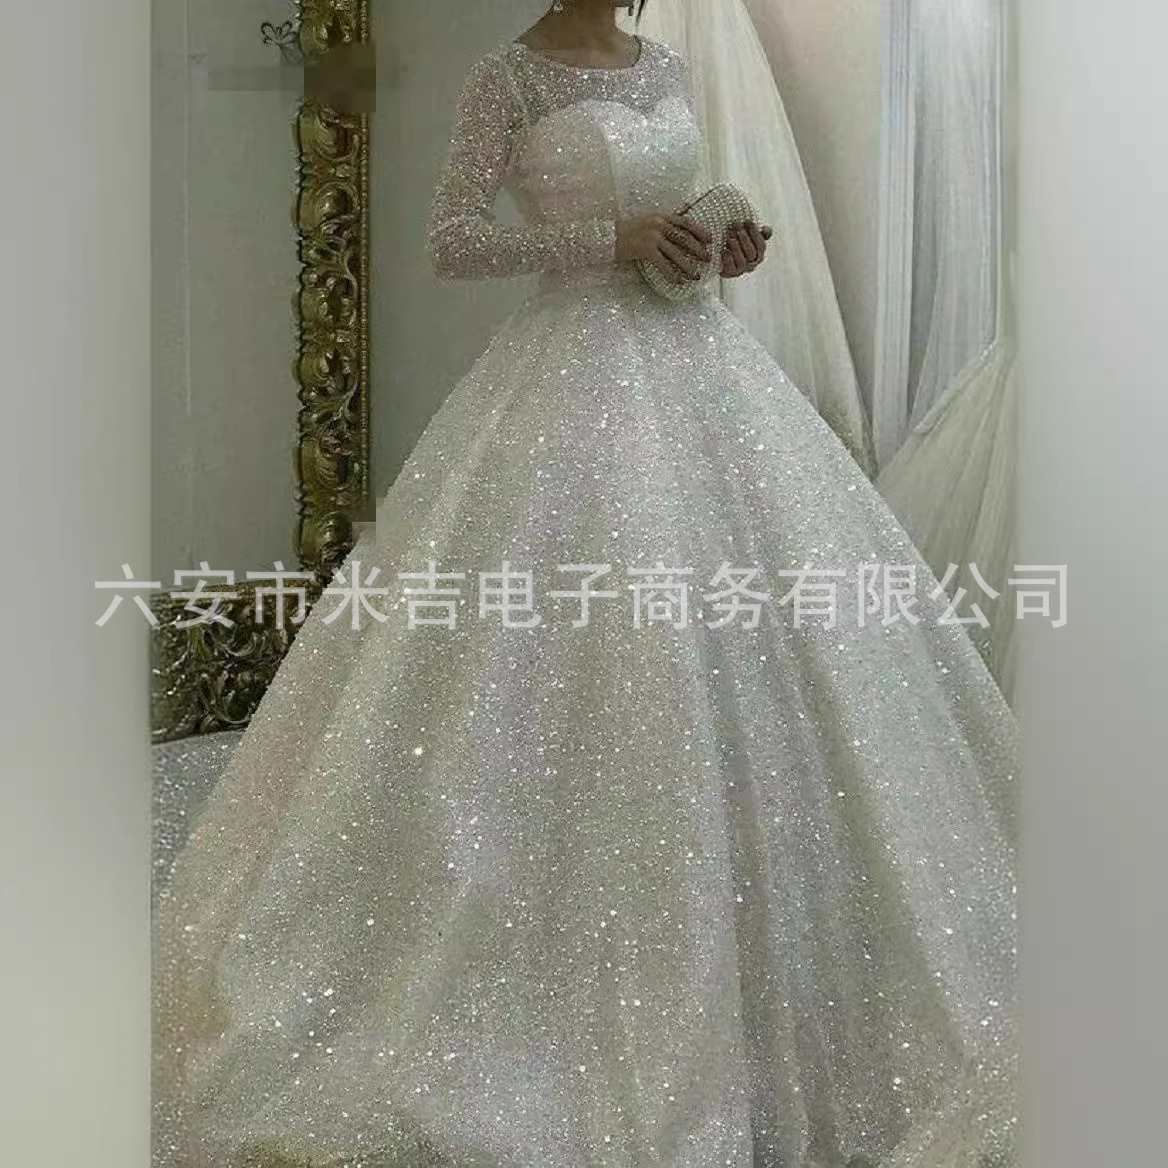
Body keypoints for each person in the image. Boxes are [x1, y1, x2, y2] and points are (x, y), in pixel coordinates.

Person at [154, 3, 1018, 1165]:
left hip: (700, 367)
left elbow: (678, 217)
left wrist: (712, 241)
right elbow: (453, 239)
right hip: (565, 375)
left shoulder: (665, 66)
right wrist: (612, 239)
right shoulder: (504, 79)